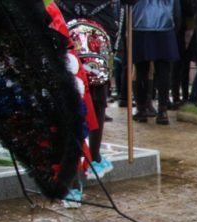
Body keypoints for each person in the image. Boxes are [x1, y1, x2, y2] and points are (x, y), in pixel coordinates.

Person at [55, 0, 119, 178]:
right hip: (85, 30)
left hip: (76, 29)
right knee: (91, 97)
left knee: (77, 97)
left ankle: (85, 161)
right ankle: (88, 160)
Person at [131, 0, 181, 125]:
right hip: (165, 26)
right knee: (163, 70)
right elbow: (177, 11)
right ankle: (162, 110)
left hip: (140, 25)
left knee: (141, 69)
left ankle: (142, 109)